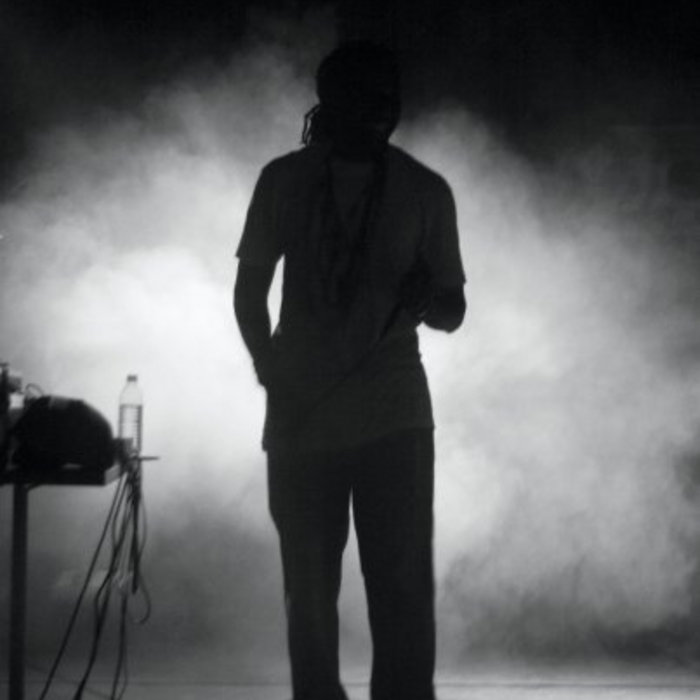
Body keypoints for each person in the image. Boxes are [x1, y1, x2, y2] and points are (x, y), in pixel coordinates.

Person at [234, 40, 466, 700]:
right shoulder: (284, 180)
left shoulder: (425, 190)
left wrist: (428, 301)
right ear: (332, 101)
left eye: (389, 99)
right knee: (310, 589)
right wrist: (270, 370)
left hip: (391, 417)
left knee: (399, 586)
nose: (384, 111)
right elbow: (248, 293)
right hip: (306, 416)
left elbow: (453, 311)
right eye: (369, 97)